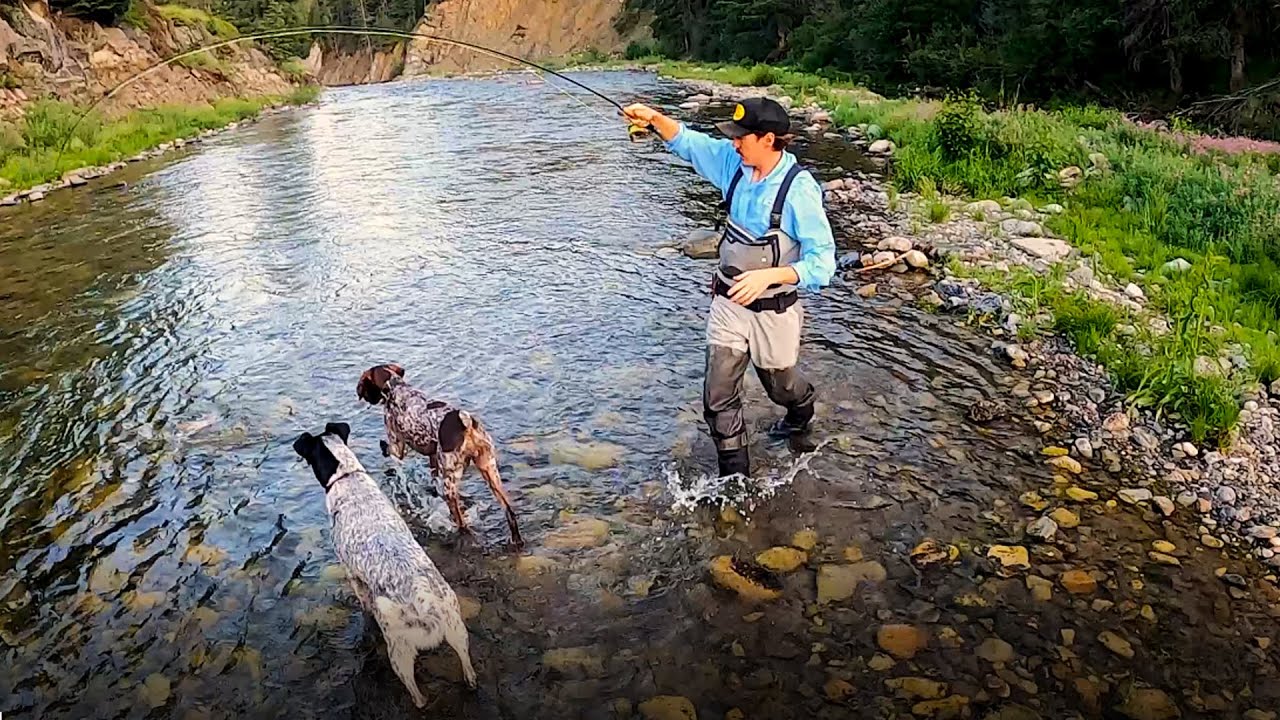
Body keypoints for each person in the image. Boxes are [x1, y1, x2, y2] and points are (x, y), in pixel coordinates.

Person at [623, 96, 837, 478]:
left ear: (768, 139)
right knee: (718, 398)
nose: (734, 143)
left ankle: (802, 410)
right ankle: (735, 483)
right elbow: (688, 142)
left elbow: (823, 264)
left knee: (779, 387)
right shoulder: (732, 164)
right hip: (728, 303)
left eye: (742, 137)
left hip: (775, 309)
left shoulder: (799, 191)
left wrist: (768, 276)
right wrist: (654, 118)